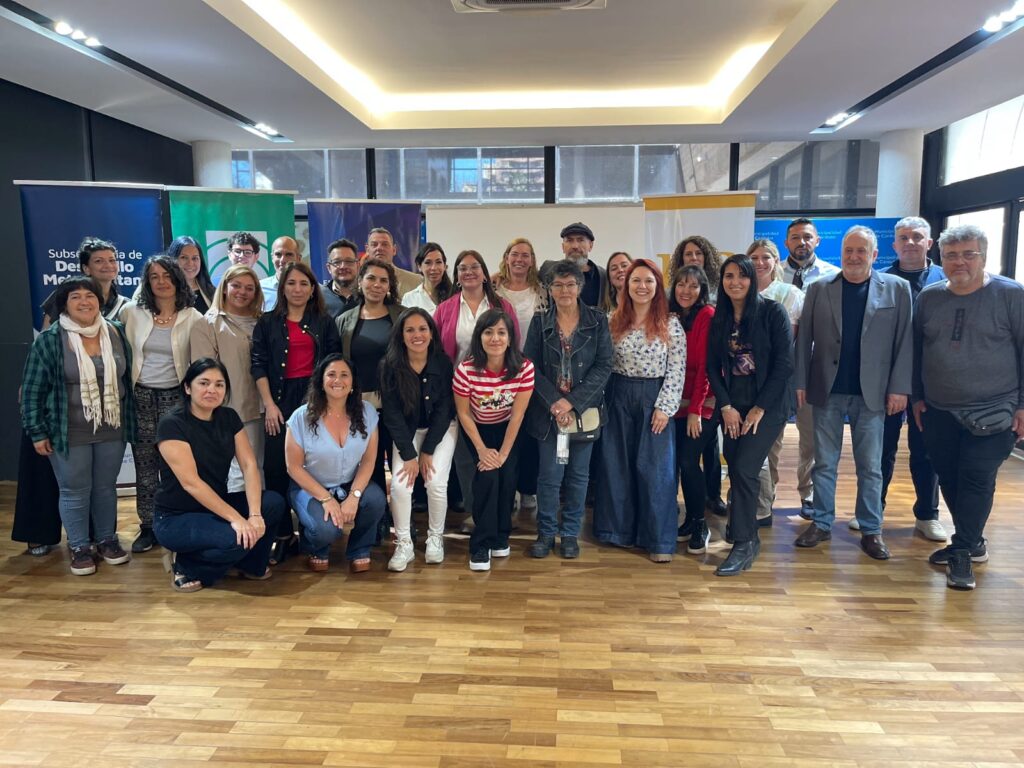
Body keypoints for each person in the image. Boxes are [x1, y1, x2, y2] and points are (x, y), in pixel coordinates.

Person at [913, 224, 1024, 590]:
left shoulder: (1011, 295)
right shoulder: (929, 298)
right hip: (939, 409)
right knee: (949, 476)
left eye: (968, 254)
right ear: (940, 259)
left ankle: (962, 551)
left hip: (995, 408)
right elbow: (917, 351)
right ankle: (972, 541)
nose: (959, 262)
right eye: (951, 256)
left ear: (983, 256)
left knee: (977, 477)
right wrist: (917, 397)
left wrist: (1023, 405)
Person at [793, 226, 913, 561]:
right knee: (824, 463)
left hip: (872, 392)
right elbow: (803, 341)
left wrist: (900, 387)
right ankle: (821, 522)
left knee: (870, 466)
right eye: (849, 250)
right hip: (827, 389)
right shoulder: (819, 288)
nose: (854, 257)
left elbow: (905, 342)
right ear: (841, 253)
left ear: (874, 255)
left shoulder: (897, 289)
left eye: (861, 251)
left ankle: (872, 529)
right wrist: (800, 382)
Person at [18, 237, 128, 556]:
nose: (84, 302)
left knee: (105, 489)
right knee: (74, 490)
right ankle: (79, 547)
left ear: (99, 301)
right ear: (64, 303)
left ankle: (106, 539)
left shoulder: (116, 332)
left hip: (111, 428)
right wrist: (37, 432)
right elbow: (32, 390)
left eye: (90, 296)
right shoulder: (51, 339)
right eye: (76, 297)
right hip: (69, 431)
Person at [153, 358, 285, 592]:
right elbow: (191, 483)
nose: (211, 390)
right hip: (176, 516)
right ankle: (185, 565)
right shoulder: (172, 424)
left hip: (215, 506)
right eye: (203, 383)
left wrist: (254, 514)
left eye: (219, 384)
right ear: (187, 388)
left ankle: (250, 564)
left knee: (273, 503)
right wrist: (237, 519)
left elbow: (249, 465)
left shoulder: (229, 417)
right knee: (235, 539)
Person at [706, 255, 793, 576]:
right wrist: (726, 406)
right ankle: (746, 529)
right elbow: (712, 367)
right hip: (733, 405)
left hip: (767, 406)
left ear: (752, 279)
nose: (735, 282)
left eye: (742, 276)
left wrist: (759, 408)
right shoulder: (720, 317)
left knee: (744, 468)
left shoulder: (773, 312)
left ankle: (744, 542)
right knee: (736, 465)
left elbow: (784, 365)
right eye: (729, 276)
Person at [594, 258, 685, 562]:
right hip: (618, 394)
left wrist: (665, 407)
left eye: (648, 281)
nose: (642, 286)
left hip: (654, 398)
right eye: (636, 280)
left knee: (656, 470)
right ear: (626, 285)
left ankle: (658, 540)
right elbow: (603, 364)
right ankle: (617, 531)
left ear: (658, 286)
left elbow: (677, 370)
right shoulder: (613, 320)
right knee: (616, 465)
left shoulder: (670, 323)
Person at [251, 261, 342, 562]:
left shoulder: (324, 322)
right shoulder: (267, 322)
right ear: (282, 288)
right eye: (291, 283)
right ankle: (282, 534)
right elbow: (258, 365)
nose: (298, 289)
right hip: (278, 400)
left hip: (314, 398)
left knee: (313, 465)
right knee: (276, 468)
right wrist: (269, 405)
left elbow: (333, 364)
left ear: (313, 288)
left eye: (304, 283)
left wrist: (326, 404)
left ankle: (312, 527)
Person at [523, 260, 612, 559]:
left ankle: (571, 534)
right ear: (549, 289)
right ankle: (546, 533)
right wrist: (555, 402)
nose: (564, 290)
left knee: (578, 476)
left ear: (580, 287)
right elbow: (530, 366)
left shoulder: (597, 320)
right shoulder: (539, 322)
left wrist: (571, 402)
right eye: (558, 285)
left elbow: (604, 366)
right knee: (550, 476)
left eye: (570, 284)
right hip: (550, 416)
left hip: (583, 413)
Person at [120, 256, 204, 553]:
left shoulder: (193, 317)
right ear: (147, 282)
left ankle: (175, 521)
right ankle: (147, 526)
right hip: (140, 397)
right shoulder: (131, 313)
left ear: (177, 279)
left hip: (177, 399)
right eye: (154, 276)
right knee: (145, 465)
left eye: (167, 275)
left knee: (177, 466)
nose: (161, 282)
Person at [433, 250, 521, 528]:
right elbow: (436, 352)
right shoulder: (445, 309)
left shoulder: (502, 306)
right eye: (462, 268)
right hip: (458, 391)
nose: (469, 272)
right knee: (466, 456)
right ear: (456, 276)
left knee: (501, 454)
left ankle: (502, 512)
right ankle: (477, 512)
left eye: (474, 267)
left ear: (484, 272)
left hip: (498, 392)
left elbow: (514, 347)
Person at [285, 355, 387, 573]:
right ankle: (315, 546)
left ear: (353, 382)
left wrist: (354, 496)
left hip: (349, 483)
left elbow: (369, 460)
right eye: (331, 374)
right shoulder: (300, 417)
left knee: (376, 500)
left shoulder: (367, 412)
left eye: (344, 375)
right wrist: (326, 499)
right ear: (321, 381)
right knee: (326, 530)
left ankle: (360, 549)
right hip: (309, 487)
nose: (338, 380)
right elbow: (293, 467)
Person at [879, 216, 946, 542]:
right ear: (894, 244)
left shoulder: (945, 280)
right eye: (903, 238)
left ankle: (927, 514)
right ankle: (872, 509)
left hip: (930, 381)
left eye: (917, 237)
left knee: (926, 451)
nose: (910, 243)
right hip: (887, 380)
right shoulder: (879, 280)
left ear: (929, 243)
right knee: (881, 449)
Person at [453, 309, 534, 571]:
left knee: (508, 477)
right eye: (488, 332)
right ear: (479, 337)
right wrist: (482, 450)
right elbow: (464, 413)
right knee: (487, 479)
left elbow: (518, 415)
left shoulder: (524, 367)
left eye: (501, 332)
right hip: (477, 429)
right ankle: (481, 543)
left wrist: (503, 454)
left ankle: (501, 535)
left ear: (510, 338)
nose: (495, 338)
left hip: (509, 429)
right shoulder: (466, 369)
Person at [380, 308, 457, 570]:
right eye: (410, 330)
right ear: (401, 335)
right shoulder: (389, 365)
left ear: (432, 333)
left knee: (435, 483)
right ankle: (404, 544)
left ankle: (435, 538)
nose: (417, 335)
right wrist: (409, 454)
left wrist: (428, 450)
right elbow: (392, 414)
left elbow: (445, 410)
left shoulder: (442, 363)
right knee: (400, 486)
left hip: (440, 430)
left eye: (423, 329)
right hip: (406, 433)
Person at [190, 264, 266, 493]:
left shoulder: (263, 321)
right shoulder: (207, 324)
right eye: (236, 286)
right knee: (240, 472)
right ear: (224, 287)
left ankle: (261, 513)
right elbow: (204, 372)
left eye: (249, 288)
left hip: (268, 408)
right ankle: (241, 514)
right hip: (233, 408)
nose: (242, 292)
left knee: (262, 469)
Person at [783, 217, 840, 517]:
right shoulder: (771, 272)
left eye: (807, 237)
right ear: (786, 242)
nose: (801, 242)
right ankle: (763, 497)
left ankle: (809, 494)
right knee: (768, 439)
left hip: (814, 369)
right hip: (776, 370)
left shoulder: (833, 276)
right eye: (795, 237)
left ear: (817, 240)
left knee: (811, 438)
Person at [337, 258, 404, 508]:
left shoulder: (402, 315)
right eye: (371, 278)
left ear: (390, 286)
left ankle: (403, 517)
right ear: (360, 282)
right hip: (360, 404)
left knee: (399, 463)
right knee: (369, 463)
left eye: (383, 280)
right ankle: (377, 517)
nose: (377, 284)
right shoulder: (344, 320)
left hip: (397, 402)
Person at [749, 238, 804, 525]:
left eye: (765, 257)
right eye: (754, 258)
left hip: (774, 384)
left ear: (775, 261)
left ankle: (763, 505)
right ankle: (747, 499)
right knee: (745, 449)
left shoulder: (788, 293)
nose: (759, 263)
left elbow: (787, 345)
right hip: (742, 384)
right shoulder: (739, 291)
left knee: (769, 447)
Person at [493, 237, 546, 513]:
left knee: (530, 432)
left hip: (533, 369)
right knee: (504, 429)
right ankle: (508, 487)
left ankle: (528, 488)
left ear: (532, 260)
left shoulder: (542, 291)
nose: (520, 260)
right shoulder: (494, 288)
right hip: (501, 369)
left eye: (526, 255)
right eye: (515, 254)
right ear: (506, 257)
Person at [669, 265, 717, 554]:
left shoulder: (706, 315)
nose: (686, 291)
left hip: (702, 405)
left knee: (689, 461)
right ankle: (689, 519)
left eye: (693, 286)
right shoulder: (671, 315)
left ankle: (700, 522)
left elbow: (705, 368)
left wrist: (696, 410)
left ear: (702, 290)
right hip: (674, 403)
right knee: (678, 463)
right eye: (681, 284)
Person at [41, 236, 130, 328]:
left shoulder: (126, 305)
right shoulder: (66, 295)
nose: (108, 265)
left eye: (112, 260)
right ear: (86, 268)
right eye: (99, 261)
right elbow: (46, 333)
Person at [539, 223, 607, 308]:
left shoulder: (602, 276)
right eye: (569, 240)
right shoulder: (547, 269)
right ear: (563, 247)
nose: (575, 246)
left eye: (580, 240)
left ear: (590, 245)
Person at [364, 227, 421, 297]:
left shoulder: (416, 281)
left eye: (385, 244)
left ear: (394, 250)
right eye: (374, 244)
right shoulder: (358, 282)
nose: (379, 248)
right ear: (367, 250)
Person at [167, 236, 215, 315]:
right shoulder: (163, 292)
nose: (190, 263)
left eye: (195, 258)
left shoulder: (211, 291)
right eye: (184, 257)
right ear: (172, 260)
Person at [402, 242, 454, 314]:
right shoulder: (409, 298)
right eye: (428, 263)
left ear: (444, 266)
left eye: (438, 262)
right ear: (419, 266)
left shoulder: (455, 295)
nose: (434, 268)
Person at [669, 235, 723, 300]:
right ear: (681, 259)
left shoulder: (720, 290)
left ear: (706, 258)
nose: (694, 258)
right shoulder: (671, 293)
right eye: (688, 254)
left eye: (698, 253)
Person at [321, 238, 361, 319]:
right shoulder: (319, 297)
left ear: (357, 265)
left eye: (349, 261)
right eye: (337, 262)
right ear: (329, 268)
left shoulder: (368, 294)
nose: (343, 266)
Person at [260, 236, 301, 311]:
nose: (282, 260)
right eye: (278, 254)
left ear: (298, 258)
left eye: (288, 254)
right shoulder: (259, 289)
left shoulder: (313, 290)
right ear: (272, 258)